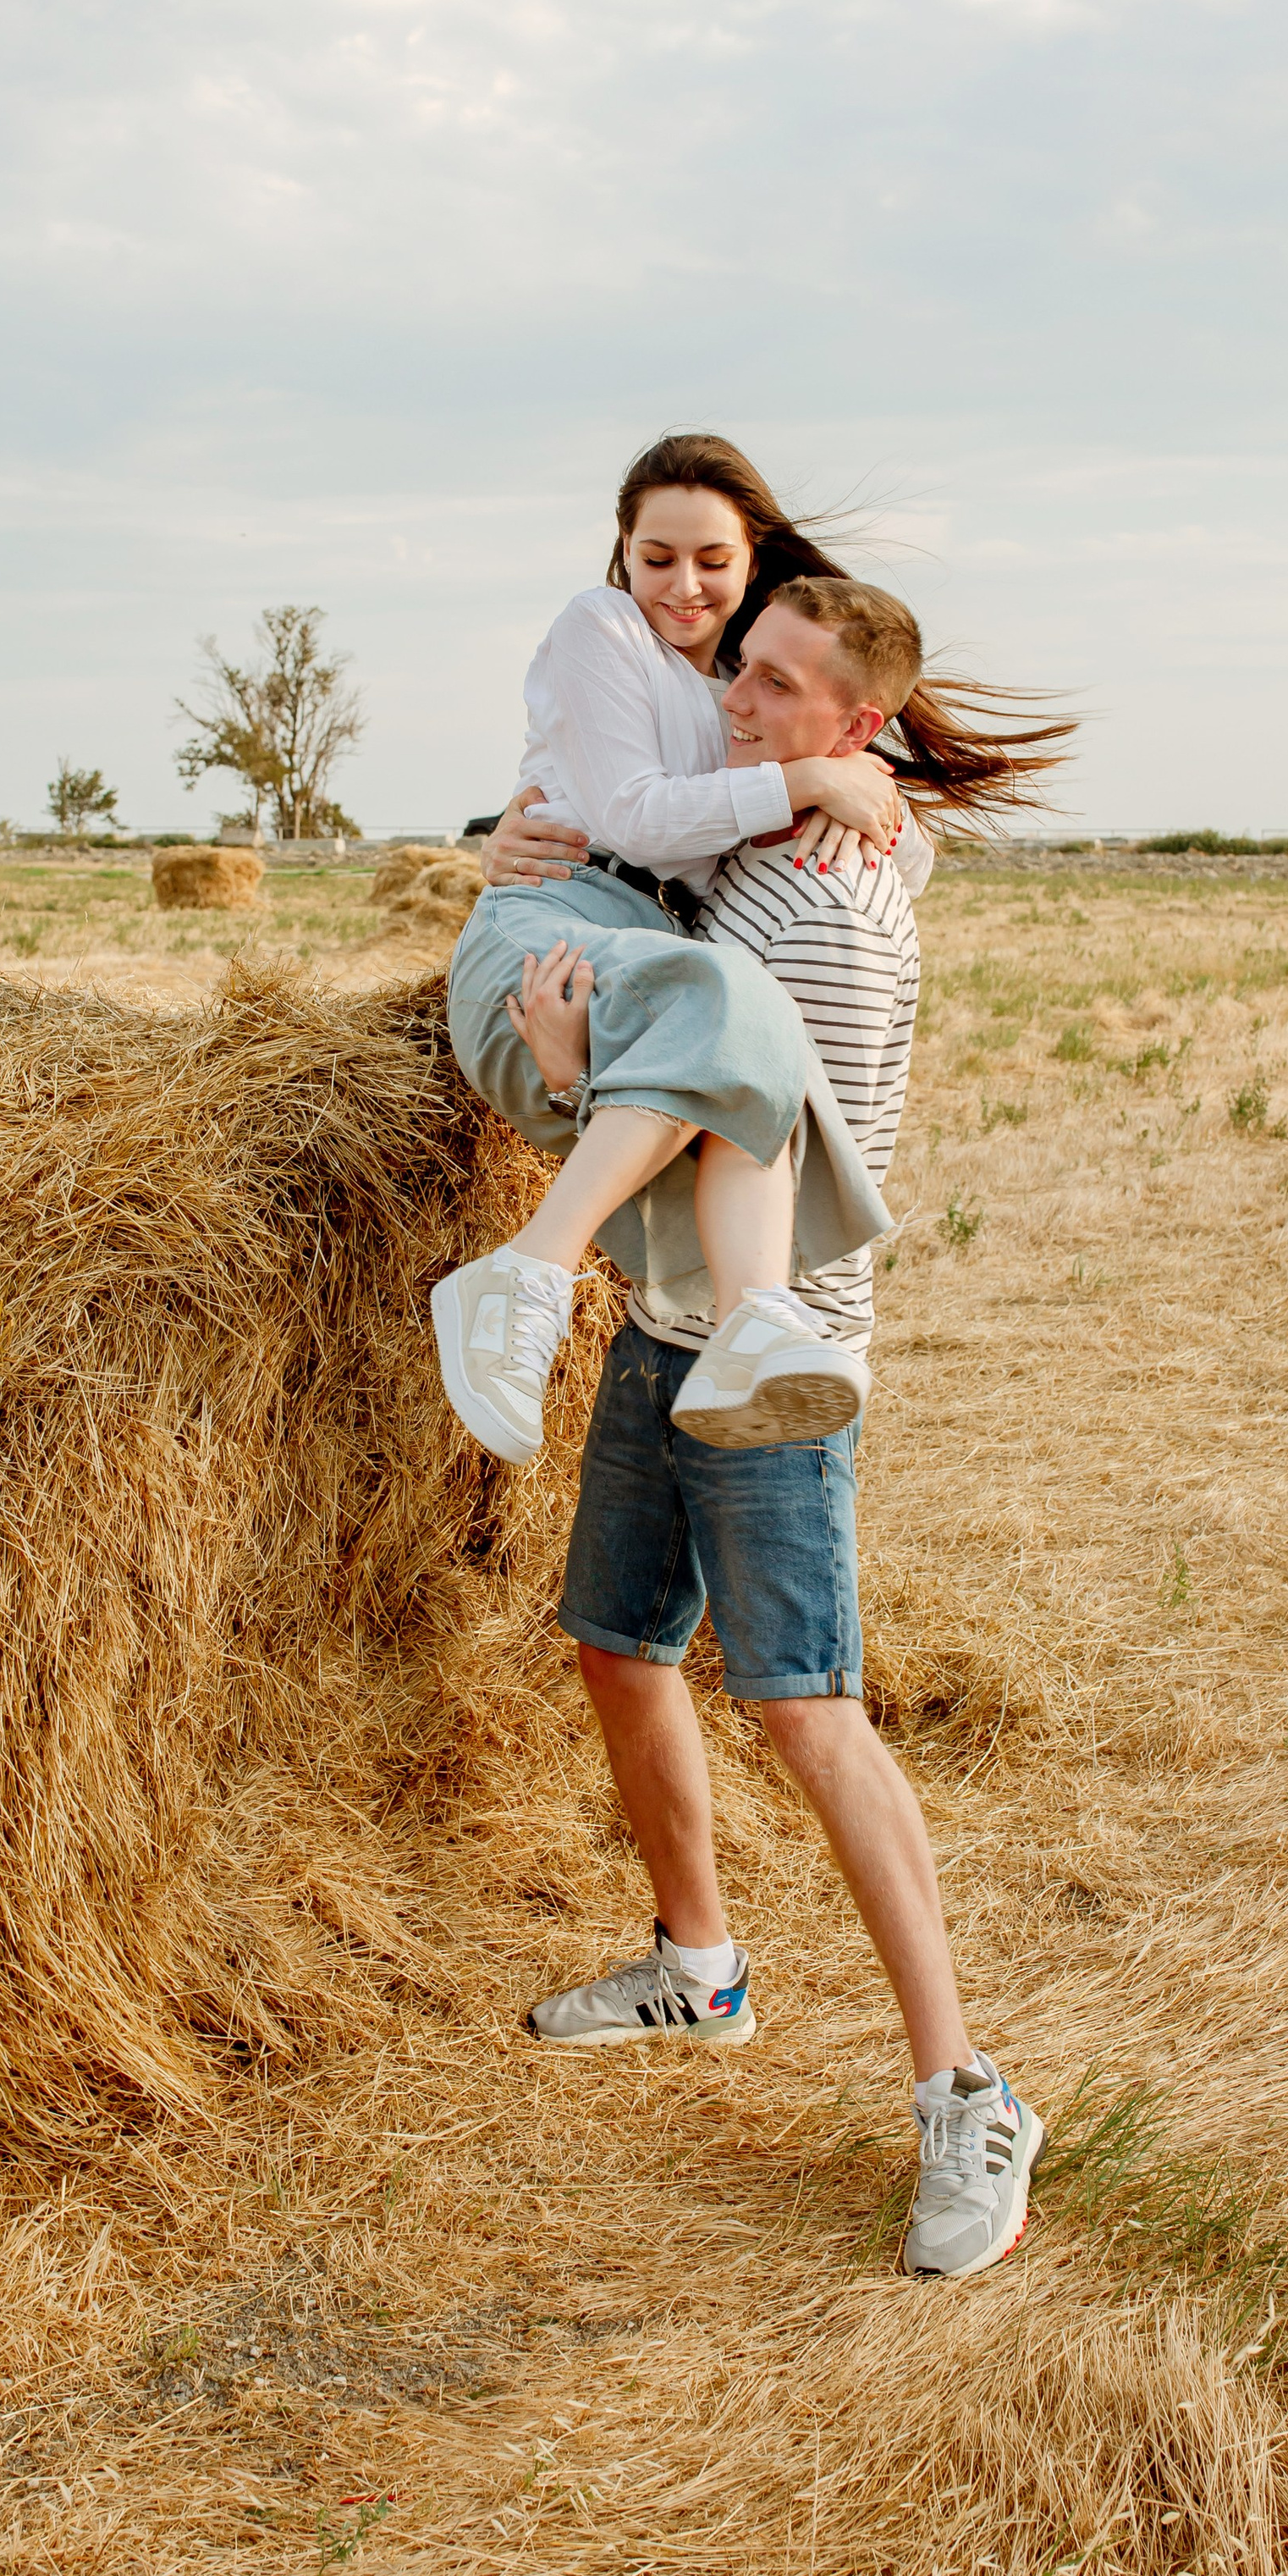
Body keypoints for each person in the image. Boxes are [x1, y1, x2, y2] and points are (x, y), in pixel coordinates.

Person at [505, 573, 1046, 2282]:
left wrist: (569, 1051)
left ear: (854, 725)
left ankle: (967, 2096)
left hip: (775, 1356)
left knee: (805, 1712)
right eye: (741, 669)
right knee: (612, 1639)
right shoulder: (781, 839)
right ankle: (695, 1964)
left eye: (785, 689)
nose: (741, 700)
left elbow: (695, 1095)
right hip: (670, 1333)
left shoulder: (808, 897)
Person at [432, 440, 911, 1470]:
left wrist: (866, 793)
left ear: (752, 564)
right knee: (736, 1000)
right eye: (655, 558)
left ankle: (752, 1328)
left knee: (756, 1059)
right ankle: (524, 1275)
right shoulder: (598, 626)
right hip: (553, 923)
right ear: (622, 555)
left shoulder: (744, 688)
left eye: (711, 561)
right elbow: (635, 818)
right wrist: (807, 785)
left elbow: (898, 853)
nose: (681, 587)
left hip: (652, 957)